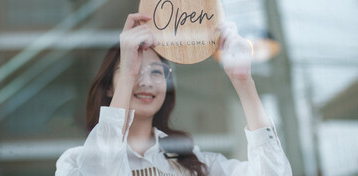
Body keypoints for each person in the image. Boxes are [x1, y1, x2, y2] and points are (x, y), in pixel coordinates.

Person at [55, 13, 292, 176]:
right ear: (109, 86)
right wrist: (128, 72)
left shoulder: (193, 162)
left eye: (157, 72)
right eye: (135, 70)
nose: (146, 81)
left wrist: (243, 82)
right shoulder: (76, 161)